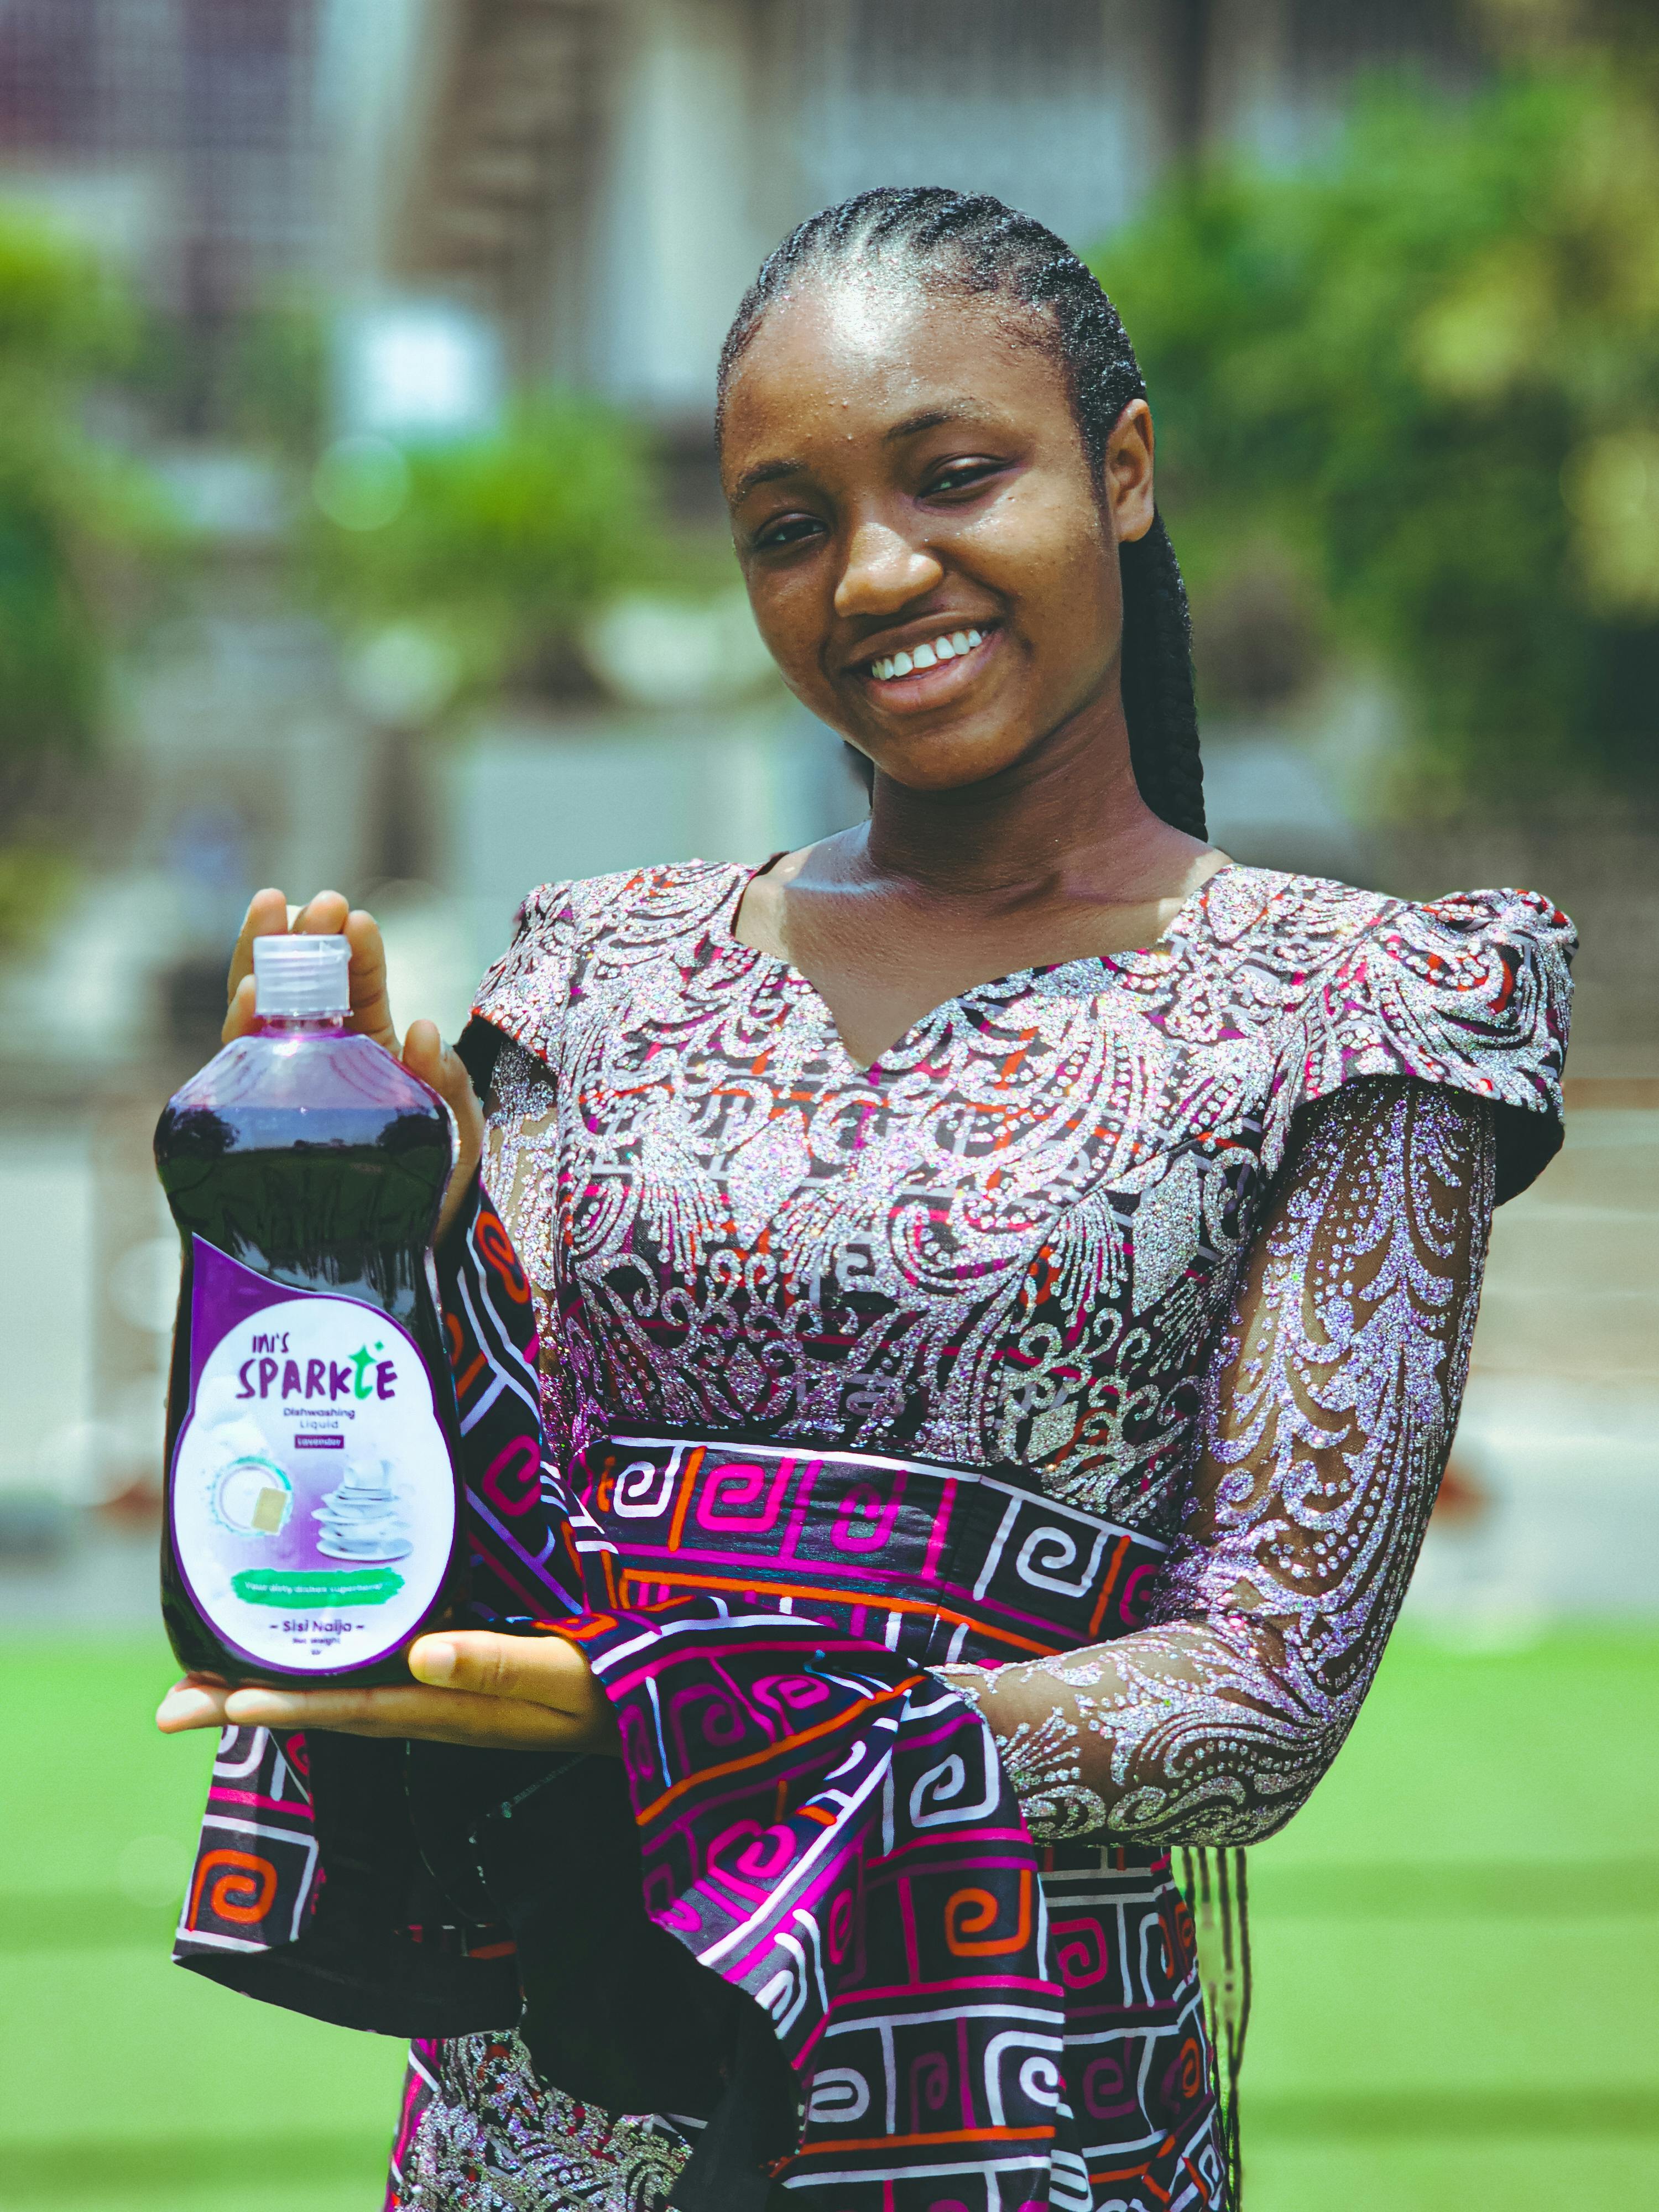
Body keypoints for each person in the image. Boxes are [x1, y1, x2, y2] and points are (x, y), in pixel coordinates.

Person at [158, 189, 1574, 2212]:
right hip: (548, 2100)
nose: (877, 571)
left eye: (957, 473)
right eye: (787, 524)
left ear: (1128, 469)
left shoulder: (1351, 1013)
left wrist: (682, 1720)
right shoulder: (603, 968)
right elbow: (495, 1521)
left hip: (1013, 2107)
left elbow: (1263, 1691)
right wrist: (375, 1241)